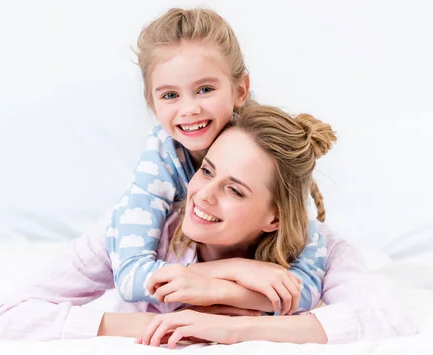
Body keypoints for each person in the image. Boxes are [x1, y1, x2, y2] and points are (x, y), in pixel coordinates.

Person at [0, 104, 416, 346]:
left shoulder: (322, 247)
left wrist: (232, 327)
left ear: (275, 218)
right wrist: (209, 279)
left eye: (236, 190)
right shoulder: (134, 231)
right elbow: (11, 317)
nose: (205, 196)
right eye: (208, 171)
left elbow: (387, 320)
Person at [106, 7, 327, 315]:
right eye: (170, 96)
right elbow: (130, 277)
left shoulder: (265, 147)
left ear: (240, 90)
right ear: (152, 104)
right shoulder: (161, 158)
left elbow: (303, 291)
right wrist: (237, 269)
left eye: (205, 89)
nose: (190, 109)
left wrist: (220, 289)